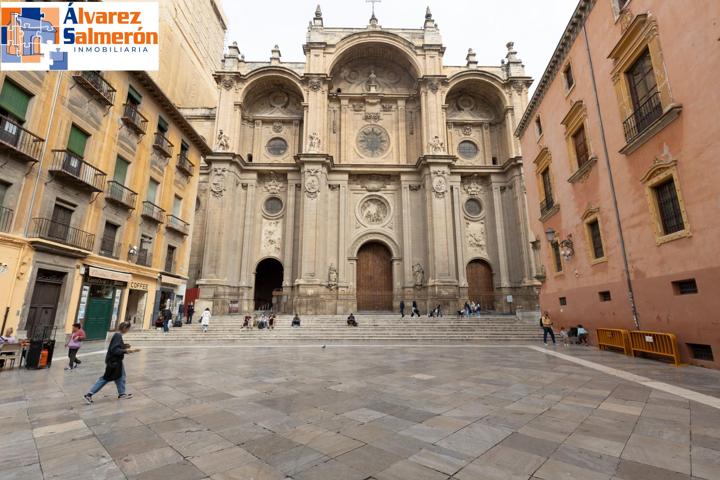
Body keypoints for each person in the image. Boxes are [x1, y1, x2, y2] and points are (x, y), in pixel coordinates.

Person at [84, 322, 138, 403]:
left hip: (116, 361)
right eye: (128, 328)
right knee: (105, 378)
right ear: (125, 328)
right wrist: (127, 350)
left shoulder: (118, 335)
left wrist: (124, 346)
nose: (128, 330)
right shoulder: (118, 335)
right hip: (114, 361)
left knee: (121, 376)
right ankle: (89, 394)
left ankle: (122, 394)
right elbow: (115, 350)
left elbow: (116, 346)